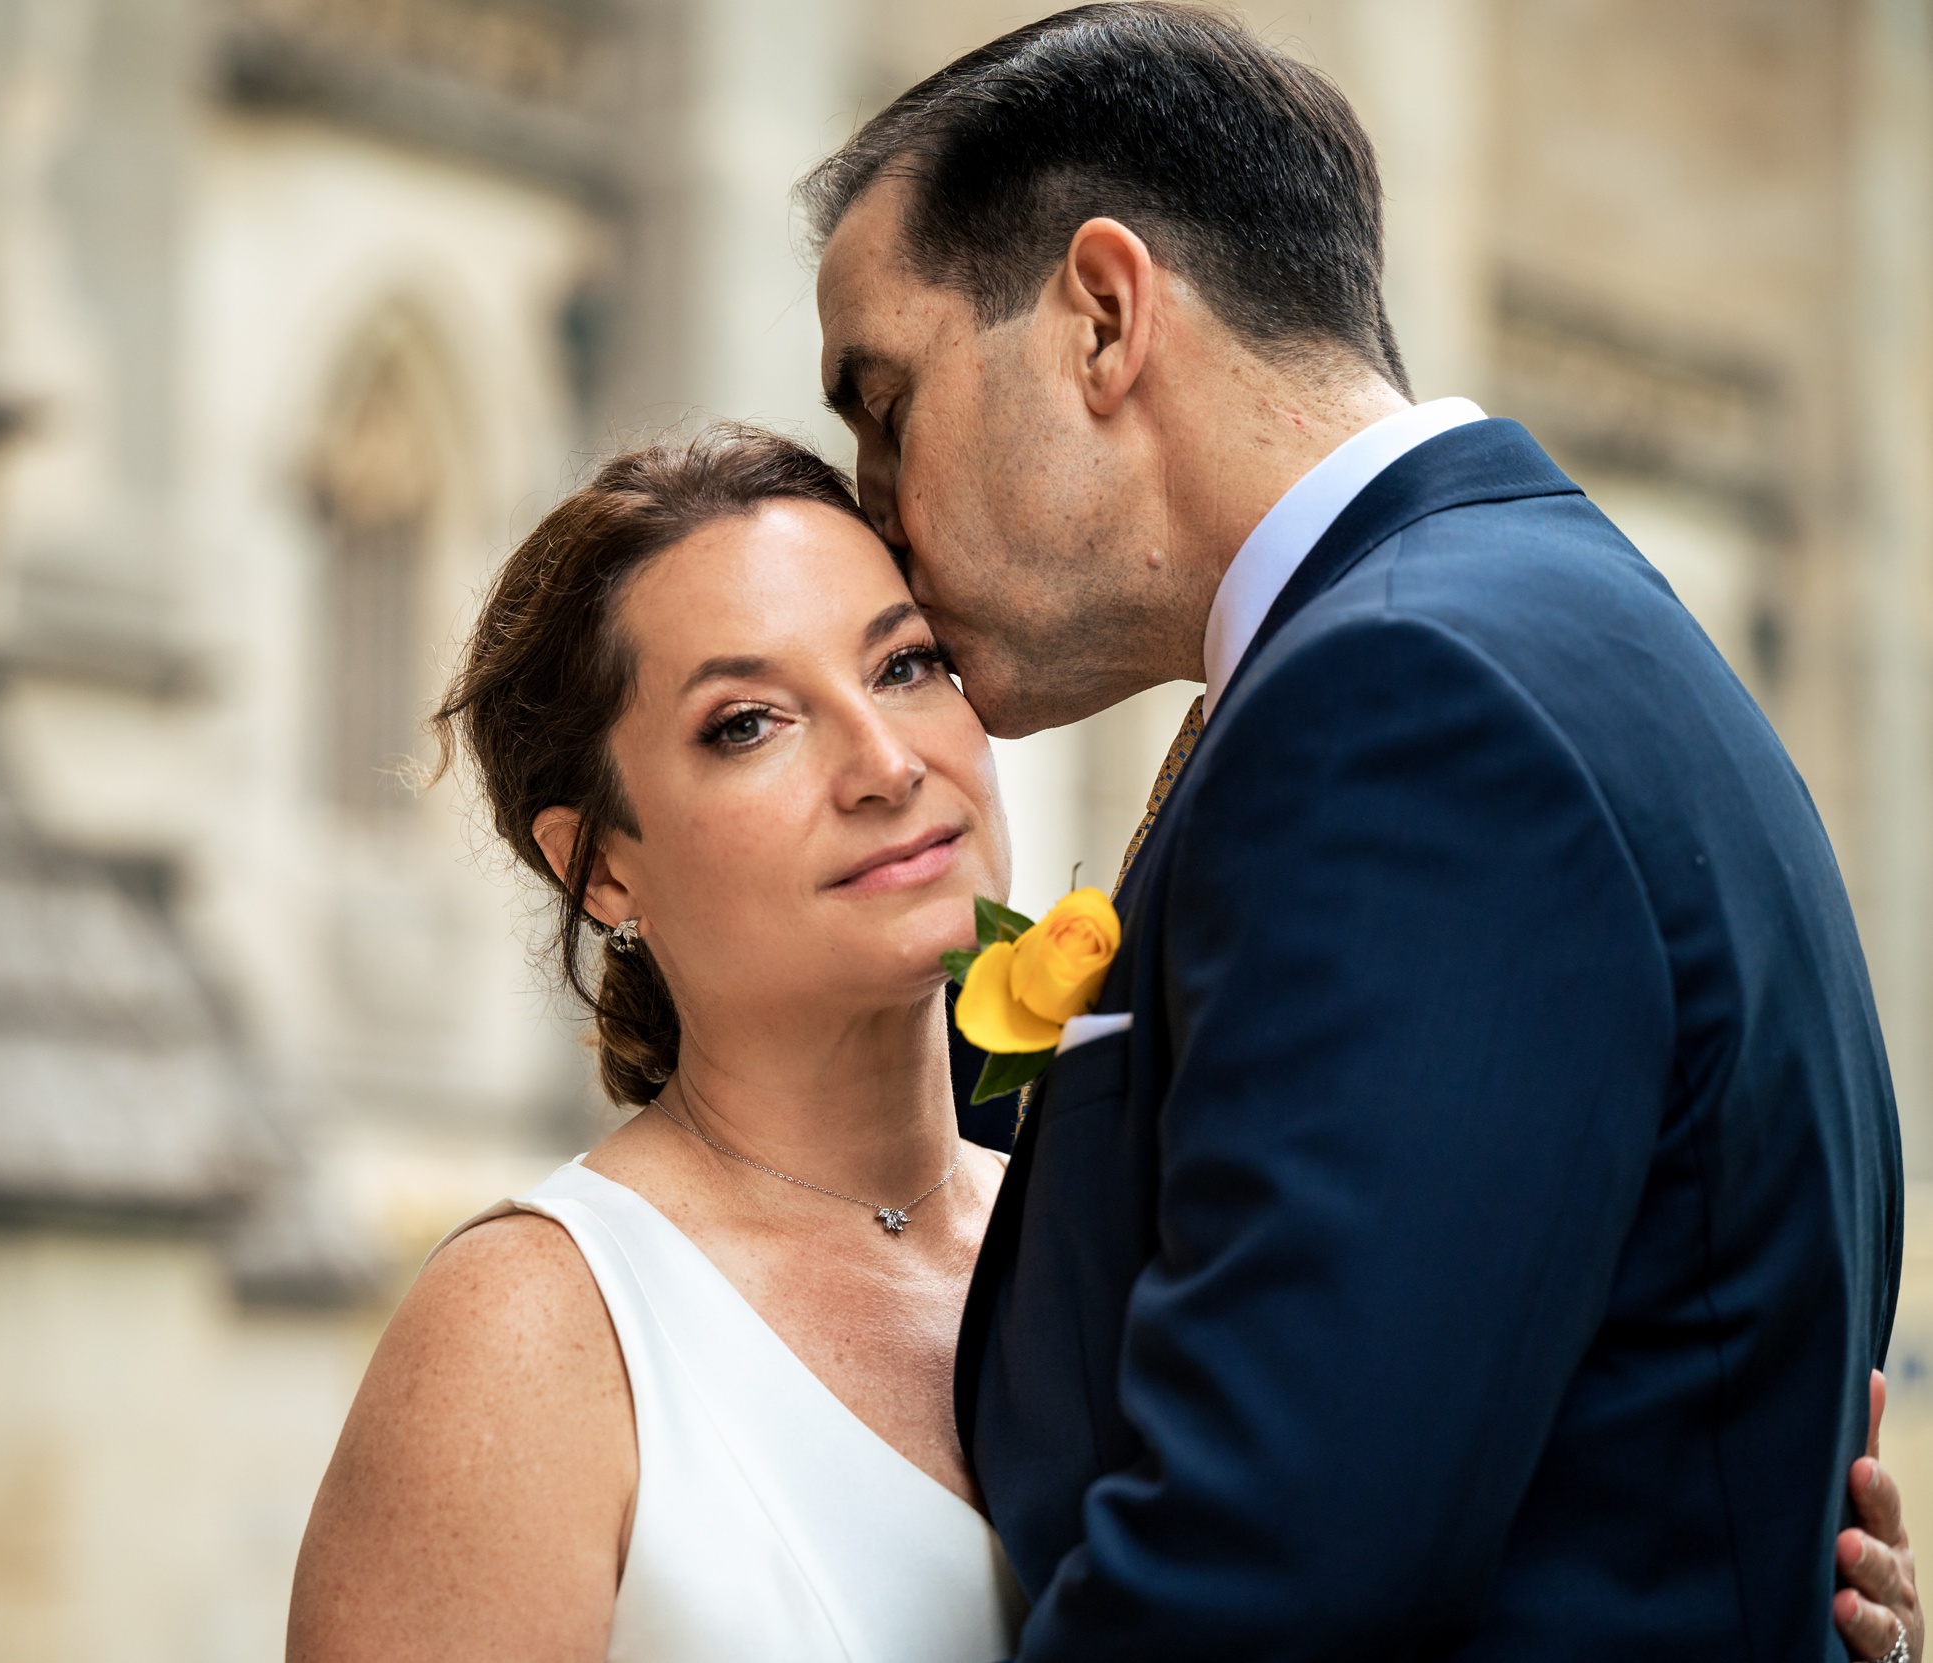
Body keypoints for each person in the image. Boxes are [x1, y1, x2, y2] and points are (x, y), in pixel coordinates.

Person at [284, 429, 1918, 1662]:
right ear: (602, 861)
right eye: (748, 722)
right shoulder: (535, 1330)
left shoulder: (1139, 1230)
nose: (885, 761)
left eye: (907, 664)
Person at [799, 3, 1913, 1659]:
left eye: (885, 407)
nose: (875, 502)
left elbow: (1259, 1588)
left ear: (1105, 317)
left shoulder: (1402, 710)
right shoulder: (1555, 621)